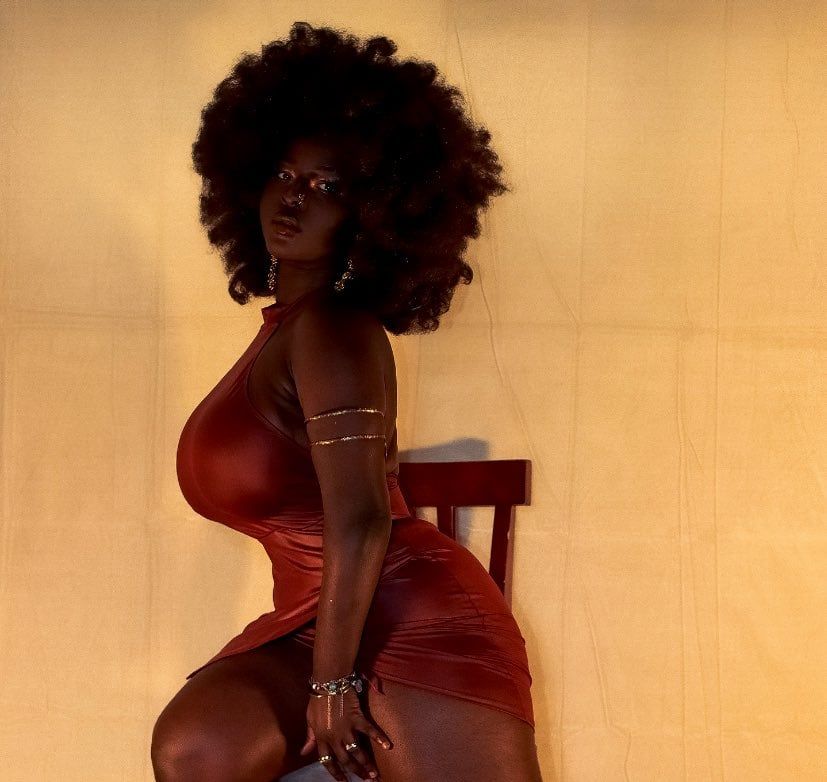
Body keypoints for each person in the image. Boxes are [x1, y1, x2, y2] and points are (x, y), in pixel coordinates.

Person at [151, 21, 543, 782]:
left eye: (328, 187)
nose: (293, 198)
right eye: (284, 174)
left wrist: (332, 686)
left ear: (373, 213)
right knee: (195, 748)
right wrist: (323, 668)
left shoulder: (335, 329)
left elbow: (361, 520)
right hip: (314, 618)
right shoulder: (287, 329)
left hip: (410, 620)